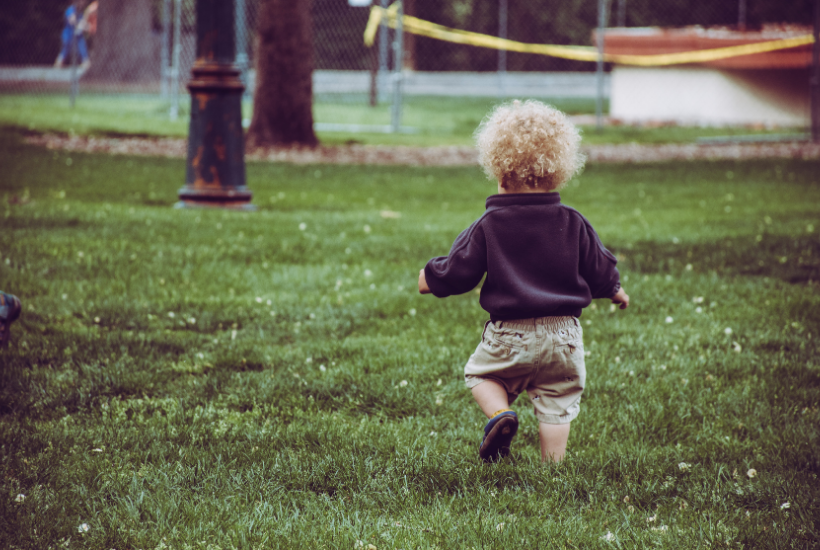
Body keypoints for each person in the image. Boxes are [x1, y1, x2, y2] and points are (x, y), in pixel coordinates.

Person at [418, 100, 630, 463]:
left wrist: (429, 278)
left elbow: (460, 269)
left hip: (509, 335)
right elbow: (598, 264)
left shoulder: (489, 224)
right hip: (564, 335)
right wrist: (614, 289)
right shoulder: (573, 221)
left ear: (499, 174)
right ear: (558, 173)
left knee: (481, 376)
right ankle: (553, 469)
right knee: (557, 401)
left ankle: (500, 415)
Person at [54, 0, 90, 70]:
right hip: (68, 35)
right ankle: (58, 65)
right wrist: (80, 25)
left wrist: (86, 26)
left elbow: (83, 23)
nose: (82, 3)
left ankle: (86, 62)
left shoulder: (80, 12)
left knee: (82, 47)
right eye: (81, 1)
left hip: (78, 36)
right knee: (65, 50)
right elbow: (72, 21)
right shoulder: (70, 10)